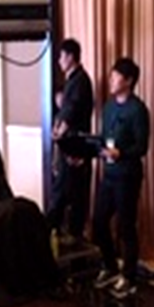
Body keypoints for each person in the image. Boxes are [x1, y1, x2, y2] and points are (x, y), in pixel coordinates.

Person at [93, 57, 150, 299]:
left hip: (127, 176)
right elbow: (103, 136)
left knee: (126, 226)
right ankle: (110, 266)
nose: (111, 80)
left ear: (128, 81)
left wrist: (121, 153)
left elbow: (142, 146)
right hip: (109, 174)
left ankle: (129, 277)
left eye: (115, 77)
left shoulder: (138, 110)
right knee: (98, 222)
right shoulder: (108, 107)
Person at [46, 38, 94, 243]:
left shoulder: (80, 80)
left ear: (71, 57)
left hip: (75, 147)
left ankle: (55, 233)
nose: (59, 61)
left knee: (66, 193)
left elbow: (72, 110)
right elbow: (66, 108)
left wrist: (59, 131)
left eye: (62, 56)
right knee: (70, 191)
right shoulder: (73, 81)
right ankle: (64, 233)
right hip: (70, 146)